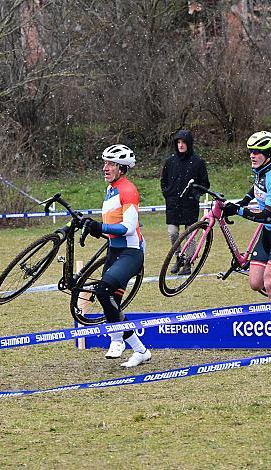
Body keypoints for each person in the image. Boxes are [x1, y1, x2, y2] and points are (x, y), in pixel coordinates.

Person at [80, 144, 150, 368]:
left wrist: (99, 227)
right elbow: (110, 226)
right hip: (114, 251)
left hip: (131, 252)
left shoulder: (127, 190)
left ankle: (117, 339)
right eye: (104, 163)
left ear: (121, 168)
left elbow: (128, 227)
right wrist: (93, 227)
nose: (105, 168)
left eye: (110, 164)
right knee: (111, 303)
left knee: (102, 291)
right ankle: (141, 351)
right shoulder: (111, 189)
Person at [222, 131, 271, 301]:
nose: (252, 155)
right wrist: (242, 203)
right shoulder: (259, 172)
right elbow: (257, 188)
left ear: (267, 154)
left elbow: (267, 217)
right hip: (268, 234)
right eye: (250, 151)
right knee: (255, 284)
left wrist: (238, 210)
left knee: (270, 283)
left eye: (257, 151)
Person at [160, 129, 209, 274]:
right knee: (173, 232)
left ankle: (188, 262)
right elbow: (163, 181)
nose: (181, 145)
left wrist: (194, 195)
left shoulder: (198, 162)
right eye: (178, 142)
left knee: (190, 235)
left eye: (183, 142)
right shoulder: (170, 162)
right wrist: (168, 194)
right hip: (173, 204)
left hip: (190, 205)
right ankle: (178, 258)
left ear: (189, 143)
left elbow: (205, 184)